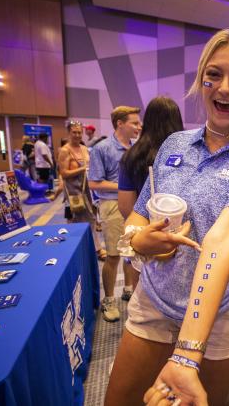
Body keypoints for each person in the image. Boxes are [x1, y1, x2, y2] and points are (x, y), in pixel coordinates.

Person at [106, 29, 229, 406]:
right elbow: (137, 216)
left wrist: (186, 353)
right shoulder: (175, 144)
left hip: (221, 315)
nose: (224, 87)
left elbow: (224, 238)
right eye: (214, 75)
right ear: (201, 81)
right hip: (154, 300)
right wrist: (140, 241)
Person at [88, 106, 142, 321]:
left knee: (132, 252)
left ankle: (128, 289)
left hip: (133, 206)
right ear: (120, 123)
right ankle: (109, 300)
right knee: (113, 256)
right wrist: (123, 187)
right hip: (111, 206)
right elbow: (93, 182)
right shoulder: (102, 149)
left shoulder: (136, 148)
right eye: (134, 123)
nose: (139, 126)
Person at [118, 97, 184, 220]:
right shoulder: (187, 152)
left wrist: (142, 227)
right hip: (182, 227)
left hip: (145, 229)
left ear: (147, 121)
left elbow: (125, 206)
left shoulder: (132, 156)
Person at [58, 121, 106, 261]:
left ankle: (93, 248)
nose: (78, 135)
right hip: (74, 192)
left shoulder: (84, 148)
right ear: (69, 132)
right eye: (74, 132)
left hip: (88, 190)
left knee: (90, 218)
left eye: (80, 132)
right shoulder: (65, 150)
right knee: (75, 221)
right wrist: (82, 169)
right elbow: (64, 173)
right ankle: (81, 249)